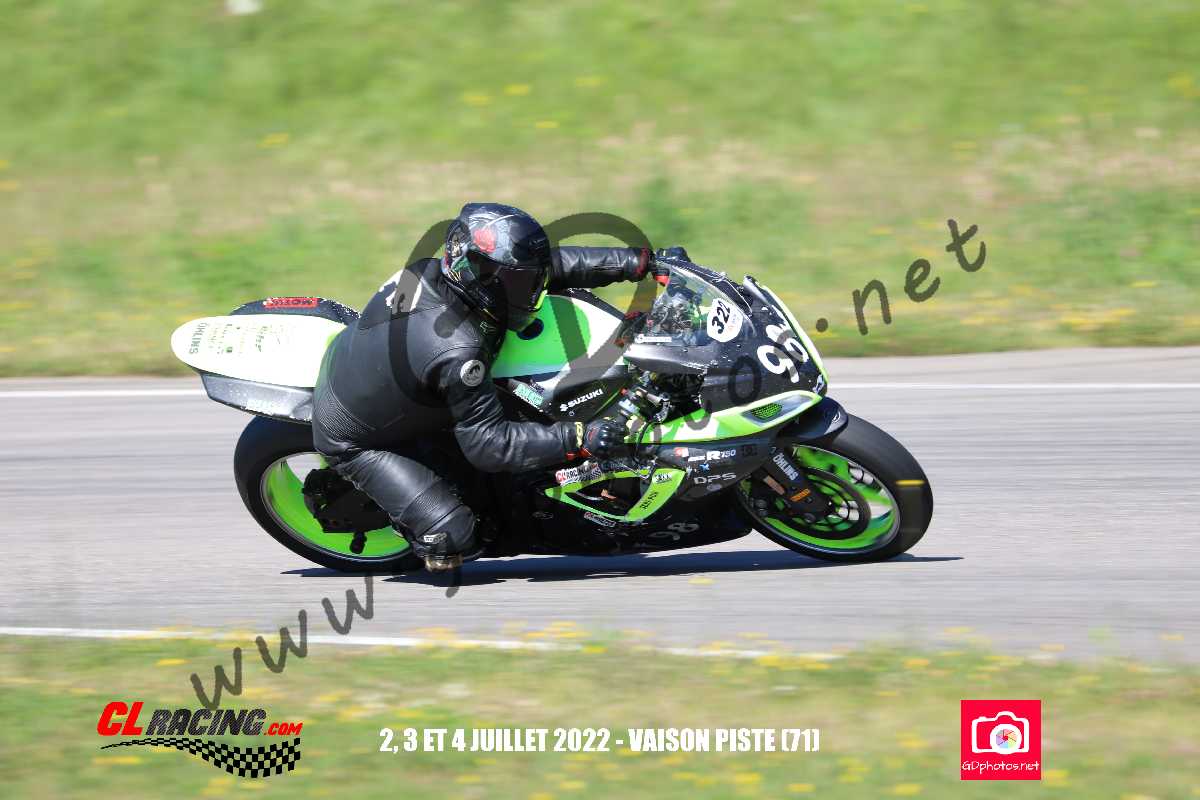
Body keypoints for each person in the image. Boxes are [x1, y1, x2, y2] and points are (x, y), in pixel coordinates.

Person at [312, 202, 684, 571]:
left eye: (530, 279)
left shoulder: (440, 272)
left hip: (383, 376)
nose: (533, 290)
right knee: (458, 537)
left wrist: (642, 262)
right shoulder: (458, 351)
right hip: (357, 438)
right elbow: (488, 445)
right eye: (521, 283)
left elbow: (548, 266)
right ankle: (423, 529)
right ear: (475, 273)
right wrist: (579, 437)